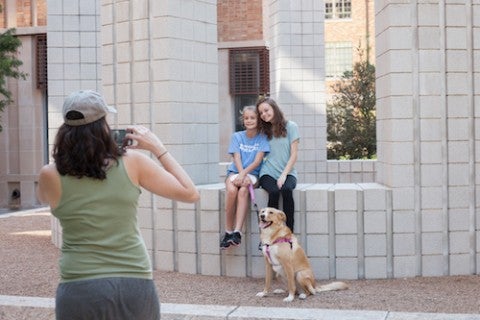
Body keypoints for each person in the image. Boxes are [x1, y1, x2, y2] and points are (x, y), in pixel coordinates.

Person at [37, 90, 199, 320]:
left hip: (79, 285)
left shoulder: (49, 175)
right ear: (103, 126)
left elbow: (46, 198)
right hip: (133, 282)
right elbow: (190, 193)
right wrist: (157, 148)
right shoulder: (133, 163)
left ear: (66, 130)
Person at [220, 105, 270, 249]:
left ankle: (237, 232)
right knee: (231, 191)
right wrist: (240, 174)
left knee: (243, 191)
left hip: (252, 174)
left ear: (258, 120)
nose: (249, 121)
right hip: (235, 172)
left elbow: (257, 161)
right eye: (246, 118)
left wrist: (244, 175)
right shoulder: (237, 136)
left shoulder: (262, 138)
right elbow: (236, 157)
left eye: (252, 118)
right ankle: (228, 231)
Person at [256, 97, 299, 232]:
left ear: (274, 108)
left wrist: (283, 175)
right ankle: (269, 232)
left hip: (288, 172)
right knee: (274, 192)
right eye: (261, 113)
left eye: (266, 110)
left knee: (286, 190)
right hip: (267, 173)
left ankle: (289, 232)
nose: (264, 114)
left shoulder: (291, 126)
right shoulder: (263, 132)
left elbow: (294, 154)